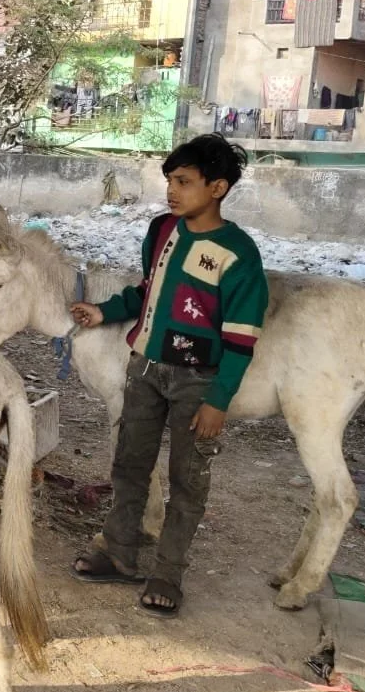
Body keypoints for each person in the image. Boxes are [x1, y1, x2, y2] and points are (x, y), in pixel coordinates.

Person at [68, 134, 268, 618]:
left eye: (183, 181)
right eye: (169, 181)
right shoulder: (162, 231)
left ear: (217, 187)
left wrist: (218, 401)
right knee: (129, 464)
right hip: (146, 370)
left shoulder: (237, 254)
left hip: (197, 382)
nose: (171, 191)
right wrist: (103, 311)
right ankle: (119, 552)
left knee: (187, 480)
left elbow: (241, 340)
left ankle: (167, 573)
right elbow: (147, 291)